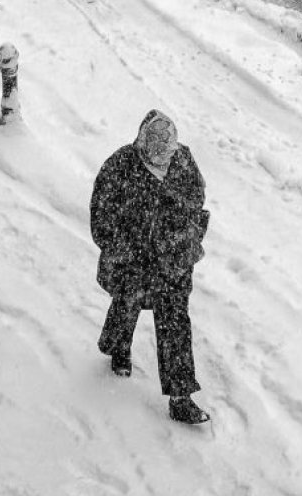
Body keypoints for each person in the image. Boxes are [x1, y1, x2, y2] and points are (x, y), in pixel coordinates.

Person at [90, 109, 211, 424]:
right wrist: (127, 246)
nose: (161, 151)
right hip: (135, 260)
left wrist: (182, 232)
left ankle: (181, 397)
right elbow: (101, 218)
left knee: (175, 322)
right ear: (142, 140)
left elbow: (197, 196)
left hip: (173, 261)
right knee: (127, 304)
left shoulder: (182, 160)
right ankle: (118, 346)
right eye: (153, 143)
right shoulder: (120, 165)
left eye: (166, 144)